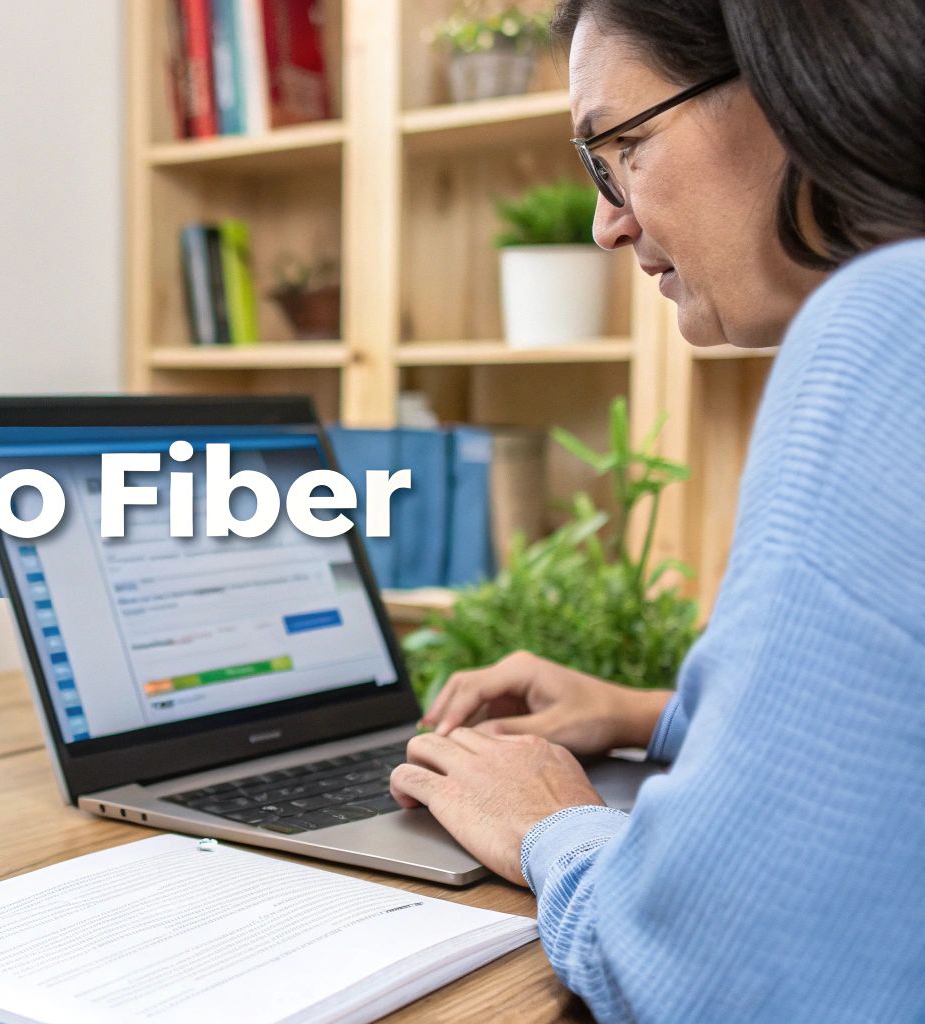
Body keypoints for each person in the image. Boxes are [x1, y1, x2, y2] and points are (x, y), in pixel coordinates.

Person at [384, 1, 925, 1020]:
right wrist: (648, 715)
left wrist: (551, 824)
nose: (607, 222)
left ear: (791, 79)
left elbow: (713, 969)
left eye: (622, 148)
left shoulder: (890, 320)